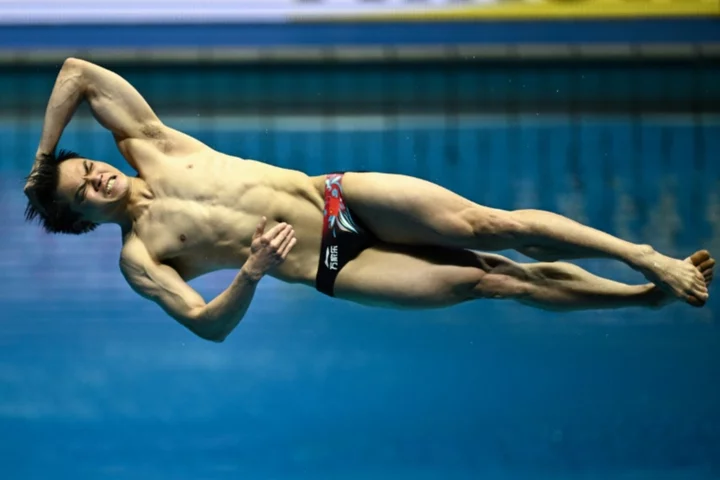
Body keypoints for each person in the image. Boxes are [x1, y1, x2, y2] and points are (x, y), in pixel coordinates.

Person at [23, 58, 714, 342]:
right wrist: (252, 271)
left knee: (490, 223)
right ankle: (636, 298)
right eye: (81, 192)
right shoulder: (140, 256)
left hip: (337, 198)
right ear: (80, 220)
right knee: (492, 279)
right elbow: (207, 324)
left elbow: (76, 72)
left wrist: (42, 158)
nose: (95, 180)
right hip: (331, 267)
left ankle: (642, 255)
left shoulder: (150, 143)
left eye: (85, 166)